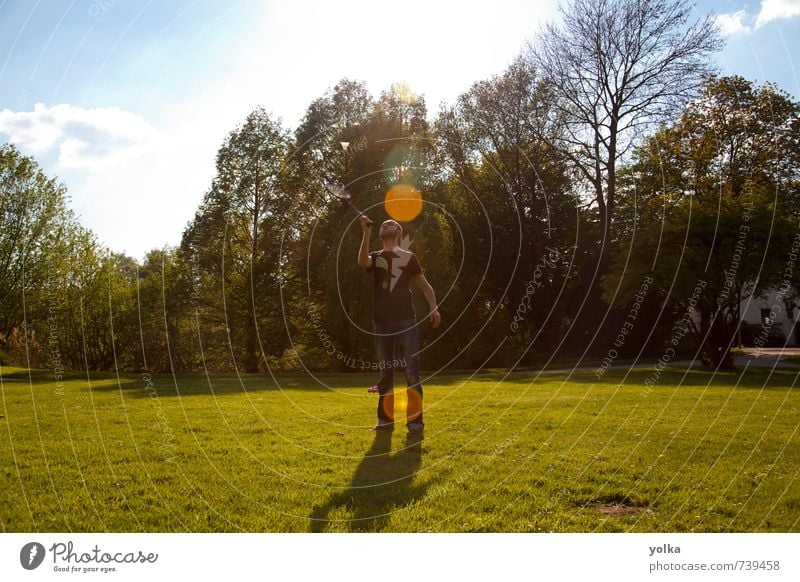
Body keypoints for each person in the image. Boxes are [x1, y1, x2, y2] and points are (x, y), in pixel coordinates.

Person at [357, 216, 440, 433]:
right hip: (381, 323)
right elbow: (362, 262)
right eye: (383, 223)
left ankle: (415, 423)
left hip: (406, 320)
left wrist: (434, 307)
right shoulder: (375, 257)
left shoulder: (409, 257)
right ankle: (385, 421)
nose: (386, 224)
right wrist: (365, 233)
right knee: (386, 374)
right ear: (379, 232)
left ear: (399, 232)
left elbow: (425, 286)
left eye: (391, 223)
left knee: (412, 373)